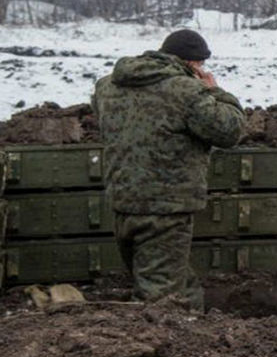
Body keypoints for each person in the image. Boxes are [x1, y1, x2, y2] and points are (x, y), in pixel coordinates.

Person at [91, 29, 245, 309]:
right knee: (160, 298)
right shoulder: (187, 91)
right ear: (192, 64)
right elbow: (229, 130)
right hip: (165, 209)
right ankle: (155, 346)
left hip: (123, 202)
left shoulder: (107, 86)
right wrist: (215, 91)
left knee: (172, 282)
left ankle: (192, 328)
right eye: (200, 66)